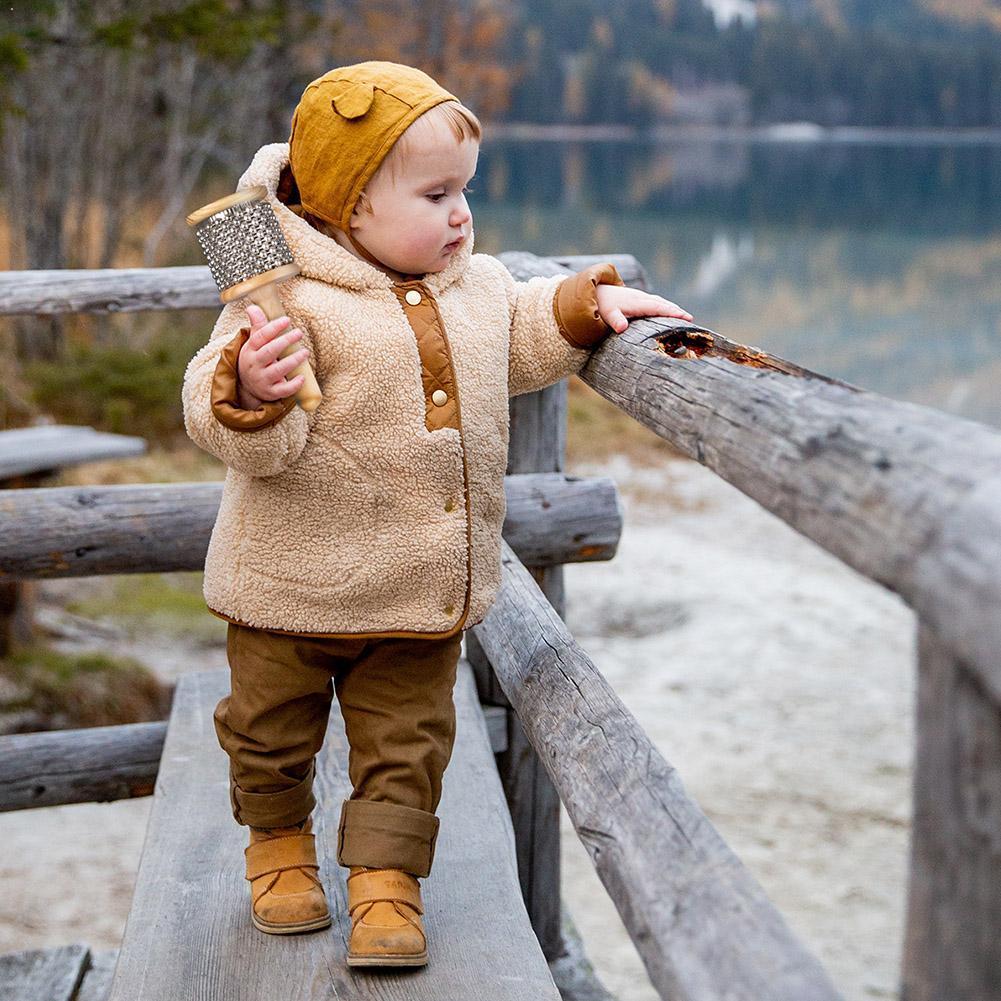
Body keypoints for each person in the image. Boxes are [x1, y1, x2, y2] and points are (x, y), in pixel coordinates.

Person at [180, 60, 693, 967]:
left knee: (406, 748)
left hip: (418, 592)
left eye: (465, 190)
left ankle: (386, 882)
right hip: (286, 587)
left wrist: (587, 302)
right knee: (266, 734)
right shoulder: (284, 300)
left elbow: (527, 332)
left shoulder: (477, 286)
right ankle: (277, 847)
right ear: (349, 208)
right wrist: (249, 390)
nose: (461, 214)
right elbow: (246, 438)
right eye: (435, 194)